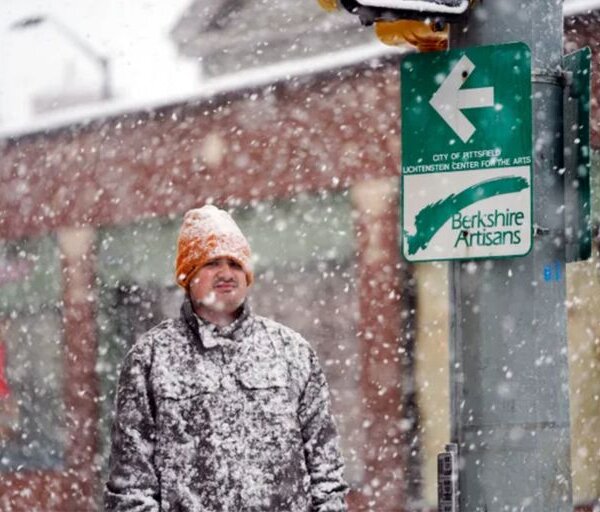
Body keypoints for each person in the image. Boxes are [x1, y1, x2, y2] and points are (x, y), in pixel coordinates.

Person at [104, 205, 348, 512]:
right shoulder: (151, 359)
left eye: (235, 263)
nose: (226, 273)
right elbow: (130, 487)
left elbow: (326, 471)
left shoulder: (291, 352)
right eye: (211, 263)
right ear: (188, 275)